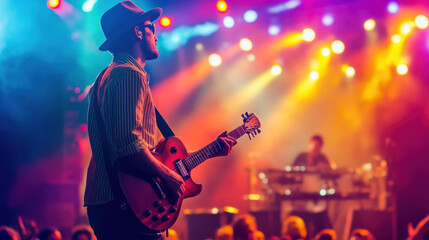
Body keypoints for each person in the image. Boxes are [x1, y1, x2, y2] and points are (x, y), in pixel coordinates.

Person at [83, 1, 237, 240]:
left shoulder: (104, 78)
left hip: (109, 201)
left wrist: (211, 151)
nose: (155, 34)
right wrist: (166, 176)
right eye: (150, 28)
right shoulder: (129, 74)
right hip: (125, 205)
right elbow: (129, 145)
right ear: (137, 31)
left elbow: (137, 150)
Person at [288, 135, 334, 238]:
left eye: (318, 146)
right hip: (301, 202)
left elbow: (332, 174)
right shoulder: (300, 157)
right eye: (313, 145)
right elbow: (290, 174)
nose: (315, 148)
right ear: (309, 144)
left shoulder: (323, 159)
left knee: (321, 227)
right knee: (299, 228)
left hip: (318, 202)